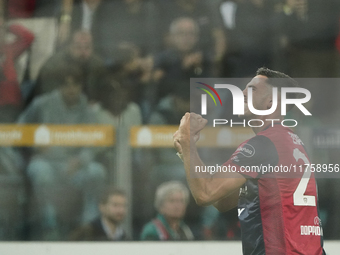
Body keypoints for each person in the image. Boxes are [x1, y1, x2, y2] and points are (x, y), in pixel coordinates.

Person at [173, 67, 325, 254]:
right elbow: (222, 201)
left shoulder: (262, 144)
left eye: (252, 89)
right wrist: (187, 152)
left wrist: (187, 142)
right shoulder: (291, 142)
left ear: (271, 101)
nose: (242, 93)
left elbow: (205, 194)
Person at [18, 65, 106, 240]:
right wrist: (35, 144)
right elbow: (19, 130)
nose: (71, 89)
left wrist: (80, 160)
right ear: (59, 86)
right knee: (40, 172)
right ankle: (48, 222)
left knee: (97, 172)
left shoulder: (87, 109)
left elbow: (95, 141)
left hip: (74, 166)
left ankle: (88, 223)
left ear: (81, 87)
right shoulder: (41, 104)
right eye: (66, 85)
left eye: (75, 85)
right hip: (45, 161)